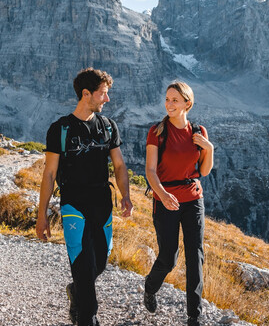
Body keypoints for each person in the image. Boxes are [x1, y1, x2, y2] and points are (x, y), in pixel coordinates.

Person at [36, 68, 134, 326]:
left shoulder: (108, 126)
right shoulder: (60, 129)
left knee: (99, 262)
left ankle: (76, 291)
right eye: (103, 94)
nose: (107, 100)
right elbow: (49, 175)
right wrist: (42, 216)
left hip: (102, 202)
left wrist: (126, 196)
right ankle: (86, 317)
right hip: (73, 204)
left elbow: (120, 166)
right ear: (86, 94)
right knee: (81, 266)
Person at [142, 81, 214, 326]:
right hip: (165, 199)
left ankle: (194, 315)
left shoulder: (199, 132)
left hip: (193, 198)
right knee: (169, 257)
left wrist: (210, 148)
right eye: (167, 99)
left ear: (187, 104)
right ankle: (150, 286)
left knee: (196, 255)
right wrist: (162, 194)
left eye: (175, 100)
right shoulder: (157, 131)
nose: (169, 104)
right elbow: (150, 171)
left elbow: (203, 170)